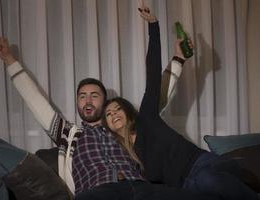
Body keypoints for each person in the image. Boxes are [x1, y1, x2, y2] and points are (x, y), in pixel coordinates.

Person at [0, 4, 221, 200]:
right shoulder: (68, 134)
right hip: (98, 192)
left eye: (95, 95)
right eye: (82, 96)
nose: (88, 100)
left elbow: (157, 95)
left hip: (141, 188)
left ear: (105, 103)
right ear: (78, 104)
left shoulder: (121, 128)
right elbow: (36, 101)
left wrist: (178, 59)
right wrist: (10, 60)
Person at [102, 6, 260, 200]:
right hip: (186, 188)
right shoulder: (124, 156)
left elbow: (153, 74)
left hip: (202, 165)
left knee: (208, 180)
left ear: (127, 112)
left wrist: (153, 26)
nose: (114, 114)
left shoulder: (146, 118)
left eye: (117, 109)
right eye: (108, 114)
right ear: (107, 126)